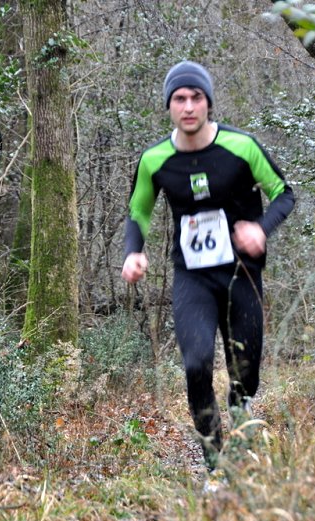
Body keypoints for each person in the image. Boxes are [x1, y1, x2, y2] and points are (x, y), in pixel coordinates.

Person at [121, 60, 295, 469]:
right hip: (192, 277)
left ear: (208, 103)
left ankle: (239, 423)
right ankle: (216, 463)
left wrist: (261, 228)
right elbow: (138, 212)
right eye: (179, 98)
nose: (188, 107)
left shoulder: (241, 146)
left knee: (245, 372)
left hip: (242, 274)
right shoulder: (155, 159)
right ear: (169, 105)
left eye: (196, 97)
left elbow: (283, 193)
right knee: (196, 363)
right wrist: (133, 251)